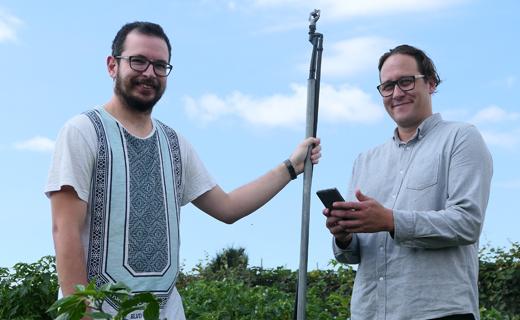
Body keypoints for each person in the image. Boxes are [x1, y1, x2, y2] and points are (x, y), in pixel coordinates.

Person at [45, 21, 321, 319]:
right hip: (99, 312)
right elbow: (65, 230)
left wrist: (290, 167)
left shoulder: (175, 144)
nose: (149, 73)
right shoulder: (83, 132)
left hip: (166, 311)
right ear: (113, 65)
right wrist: (81, 314)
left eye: (160, 65)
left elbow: (227, 208)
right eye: (138, 61)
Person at [324, 44, 492, 320]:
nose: (397, 93)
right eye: (387, 86)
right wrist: (343, 236)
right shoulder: (365, 161)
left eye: (405, 81)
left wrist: (391, 220)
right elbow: (350, 257)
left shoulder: (461, 138)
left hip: (439, 313)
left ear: (431, 83)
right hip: (369, 313)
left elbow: (467, 223)